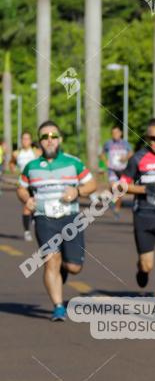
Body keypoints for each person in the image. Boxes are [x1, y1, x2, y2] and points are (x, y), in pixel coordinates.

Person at [17, 121, 97, 321]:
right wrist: (27, 199)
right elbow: (21, 187)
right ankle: (58, 307)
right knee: (51, 260)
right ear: (39, 142)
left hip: (71, 219)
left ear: (60, 139)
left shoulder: (73, 162)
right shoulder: (31, 167)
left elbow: (92, 184)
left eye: (53, 136)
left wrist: (77, 191)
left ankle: (64, 268)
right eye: (45, 137)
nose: (49, 140)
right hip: (44, 219)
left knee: (74, 268)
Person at [119, 119, 155, 301]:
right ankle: (141, 270)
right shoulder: (137, 159)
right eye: (154, 138)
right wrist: (145, 189)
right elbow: (121, 186)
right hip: (144, 215)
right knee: (148, 265)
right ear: (147, 138)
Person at [10, 131, 40, 241]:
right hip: (23, 184)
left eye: (27, 139)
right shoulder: (17, 153)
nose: (25, 141)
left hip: (35, 183)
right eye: (23, 139)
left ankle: (33, 219)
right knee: (28, 205)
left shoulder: (36, 152)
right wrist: (13, 169)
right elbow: (12, 162)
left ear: (31, 141)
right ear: (21, 141)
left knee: (35, 207)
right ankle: (27, 232)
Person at [100, 125, 132, 219]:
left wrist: (125, 158)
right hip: (112, 170)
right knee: (113, 187)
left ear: (120, 133)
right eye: (113, 133)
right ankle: (111, 199)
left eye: (117, 133)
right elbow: (101, 154)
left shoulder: (125, 143)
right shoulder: (108, 144)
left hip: (122, 170)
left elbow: (131, 153)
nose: (115, 135)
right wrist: (105, 162)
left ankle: (117, 209)